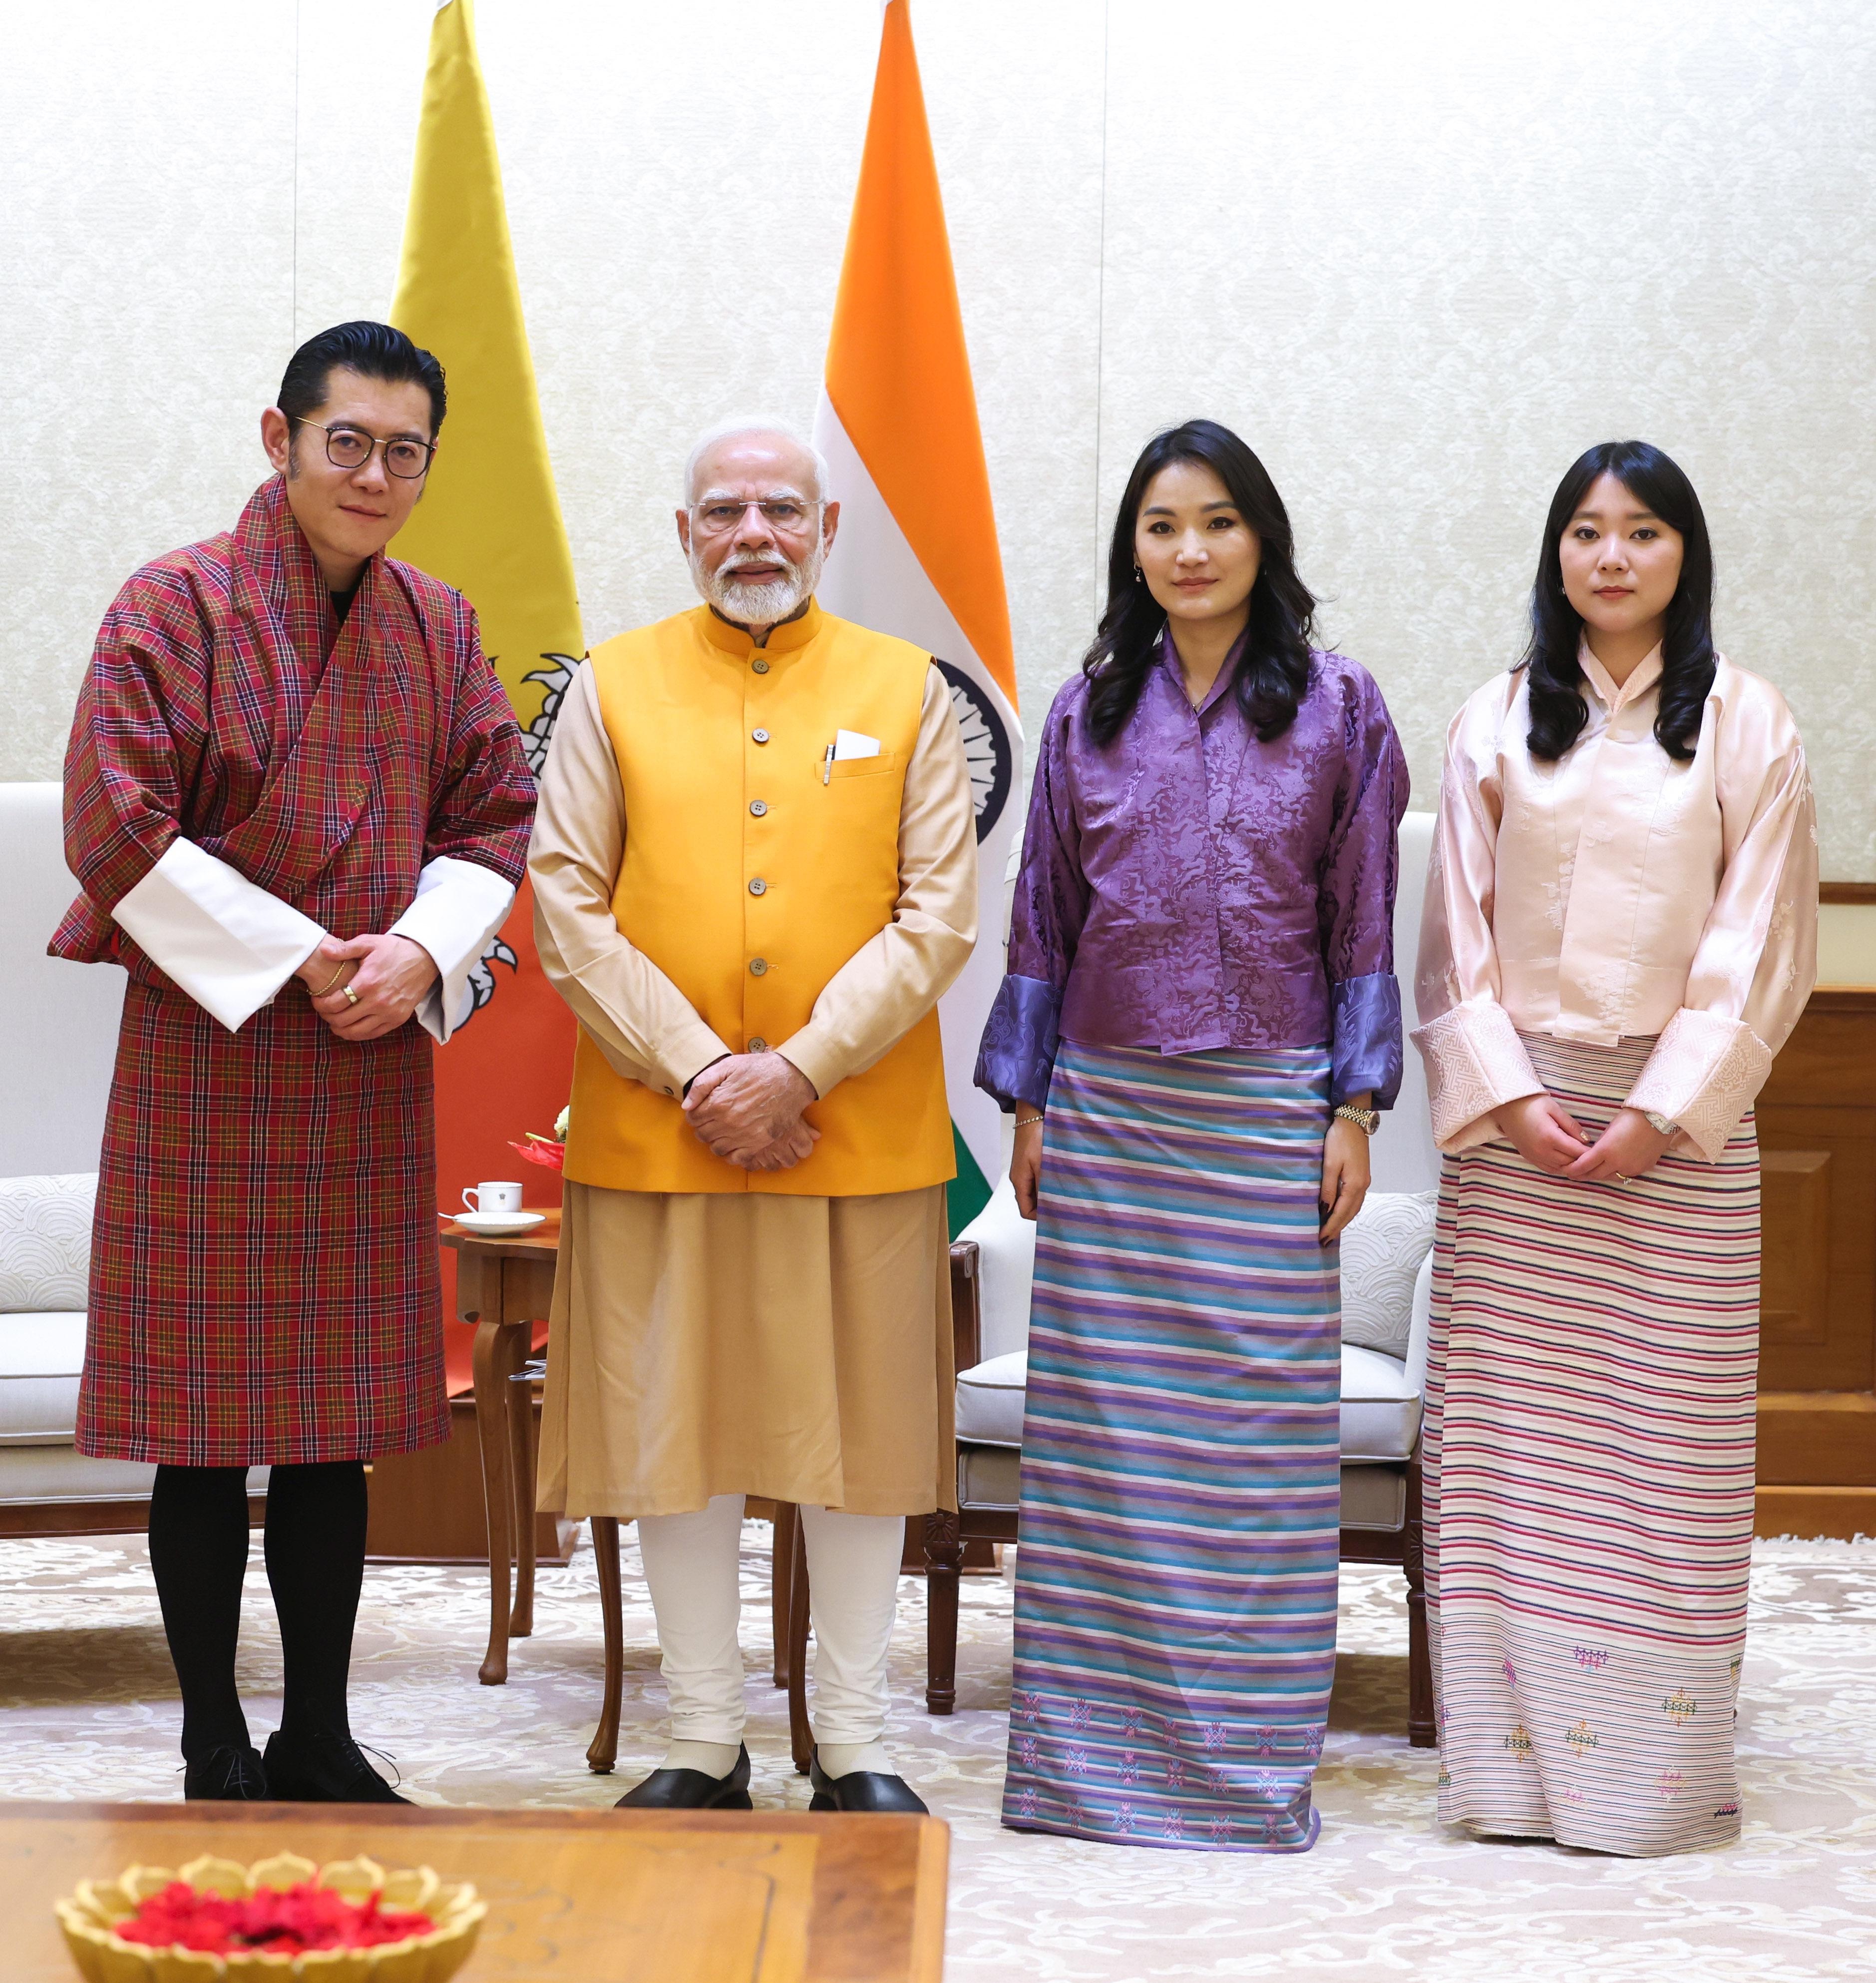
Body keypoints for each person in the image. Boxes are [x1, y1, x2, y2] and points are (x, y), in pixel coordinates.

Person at [53, 321, 536, 1802]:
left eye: (406, 452)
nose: (375, 475)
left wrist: (420, 953)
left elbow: (495, 818)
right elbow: (113, 824)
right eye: (349, 443)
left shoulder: (439, 626)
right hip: (207, 1053)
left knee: (337, 1431)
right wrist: (299, 953)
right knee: (201, 1434)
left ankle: (317, 1731)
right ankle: (212, 1738)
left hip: (363, 1056)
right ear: (282, 439)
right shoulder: (174, 603)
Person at [529, 416, 976, 1814]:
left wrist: (800, 1070)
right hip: (657, 1136)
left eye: (782, 509)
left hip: (859, 1135)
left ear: (828, 529)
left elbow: (940, 915)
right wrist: (700, 1072)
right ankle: (703, 1739)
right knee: (676, 1440)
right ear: (684, 535)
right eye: (723, 512)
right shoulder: (612, 686)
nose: (753, 536)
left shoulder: (909, 689)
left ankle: (854, 1740)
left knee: (864, 1447)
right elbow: (565, 902)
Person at [975, 418, 1409, 1850]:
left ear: (1261, 536)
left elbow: (1362, 920)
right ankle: (1090, 1772)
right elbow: (1043, 918)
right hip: (1111, 1116)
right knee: (1107, 1451)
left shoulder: (1341, 706)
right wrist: (1030, 1104)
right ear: (1134, 551)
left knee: (1255, 1457)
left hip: (1271, 1113)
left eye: (1218, 520)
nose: (1192, 549)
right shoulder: (1085, 711)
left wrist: (1354, 1106)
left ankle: (1243, 1770)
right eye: (1162, 526)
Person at [1413, 439, 1817, 1856]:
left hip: (1682, 1140)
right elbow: (1452, 931)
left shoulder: (1751, 724)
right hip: (1516, 1136)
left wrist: (1661, 1110)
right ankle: (1509, 1781)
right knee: (1513, 1458)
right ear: (1557, 555)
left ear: (1684, 554)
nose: (1612, 556)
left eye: (1643, 531)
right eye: (1586, 531)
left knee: (1665, 1449)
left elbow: (1761, 939)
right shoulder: (1497, 717)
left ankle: (1650, 1782)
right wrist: (1513, 1097)